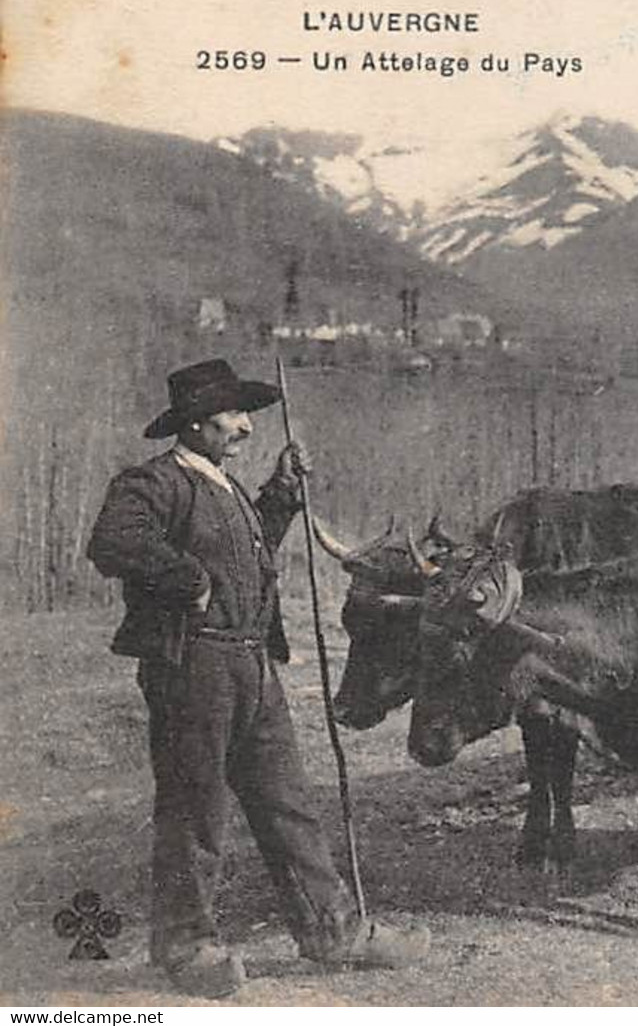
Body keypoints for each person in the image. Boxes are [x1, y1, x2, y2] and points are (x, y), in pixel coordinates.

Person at [87, 359, 429, 998]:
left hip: (251, 663)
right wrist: (186, 578)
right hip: (194, 666)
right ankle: (187, 949)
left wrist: (280, 495)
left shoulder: (225, 484)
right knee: (197, 810)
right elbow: (112, 543)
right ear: (194, 422)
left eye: (247, 414)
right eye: (234, 415)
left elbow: (249, 555)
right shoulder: (154, 483)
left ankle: (334, 931)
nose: (247, 426)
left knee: (287, 803)